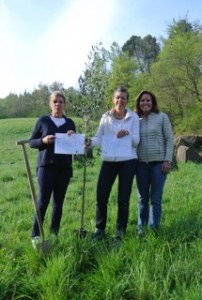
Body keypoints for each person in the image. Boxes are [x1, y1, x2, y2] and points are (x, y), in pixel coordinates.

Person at [88, 86, 140, 240]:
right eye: (118, 97)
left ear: (127, 100)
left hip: (128, 161)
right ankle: (99, 229)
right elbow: (98, 137)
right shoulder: (105, 117)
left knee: (123, 198)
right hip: (109, 161)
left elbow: (137, 142)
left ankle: (120, 230)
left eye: (123, 98)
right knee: (101, 196)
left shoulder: (134, 117)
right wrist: (88, 142)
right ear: (113, 99)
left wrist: (127, 133)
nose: (120, 100)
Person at [29, 91, 76, 248]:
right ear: (50, 104)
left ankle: (54, 233)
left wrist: (73, 136)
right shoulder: (43, 120)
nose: (58, 104)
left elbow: (75, 145)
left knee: (59, 202)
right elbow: (31, 142)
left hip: (64, 167)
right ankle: (35, 234)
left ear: (65, 104)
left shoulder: (69, 123)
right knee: (43, 201)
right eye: (55, 101)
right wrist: (43, 140)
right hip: (46, 166)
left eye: (61, 101)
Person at [134, 90, 173, 236]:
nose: (145, 103)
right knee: (142, 198)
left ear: (153, 102)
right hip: (140, 164)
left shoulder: (162, 117)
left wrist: (167, 160)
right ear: (138, 103)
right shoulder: (135, 119)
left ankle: (154, 229)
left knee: (155, 198)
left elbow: (169, 139)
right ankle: (141, 230)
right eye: (142, 100)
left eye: (148, 100)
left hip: (159, 164)